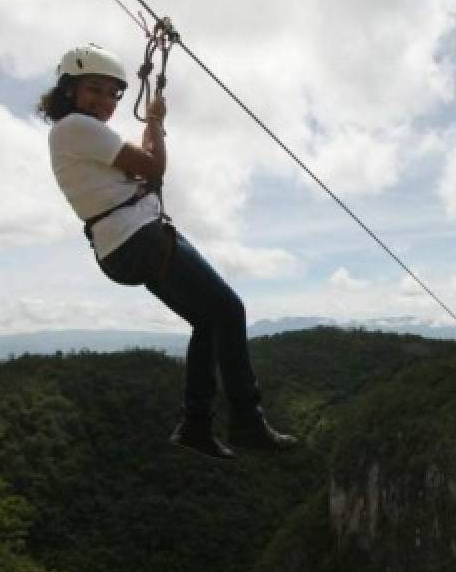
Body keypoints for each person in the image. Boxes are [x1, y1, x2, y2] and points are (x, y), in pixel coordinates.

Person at [40, 42, 297, 459]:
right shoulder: (76, 128)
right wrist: (157, 123)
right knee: (229, 311)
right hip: (140, 237)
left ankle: (196, 425)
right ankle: (247, 422)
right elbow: (153, 167)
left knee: (207, 322)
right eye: (94, 90)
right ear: (70, 89)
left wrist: (150, 136)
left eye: (111, 93)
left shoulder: (78, 137)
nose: (104, 101)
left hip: (120, 246)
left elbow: (138, 165)